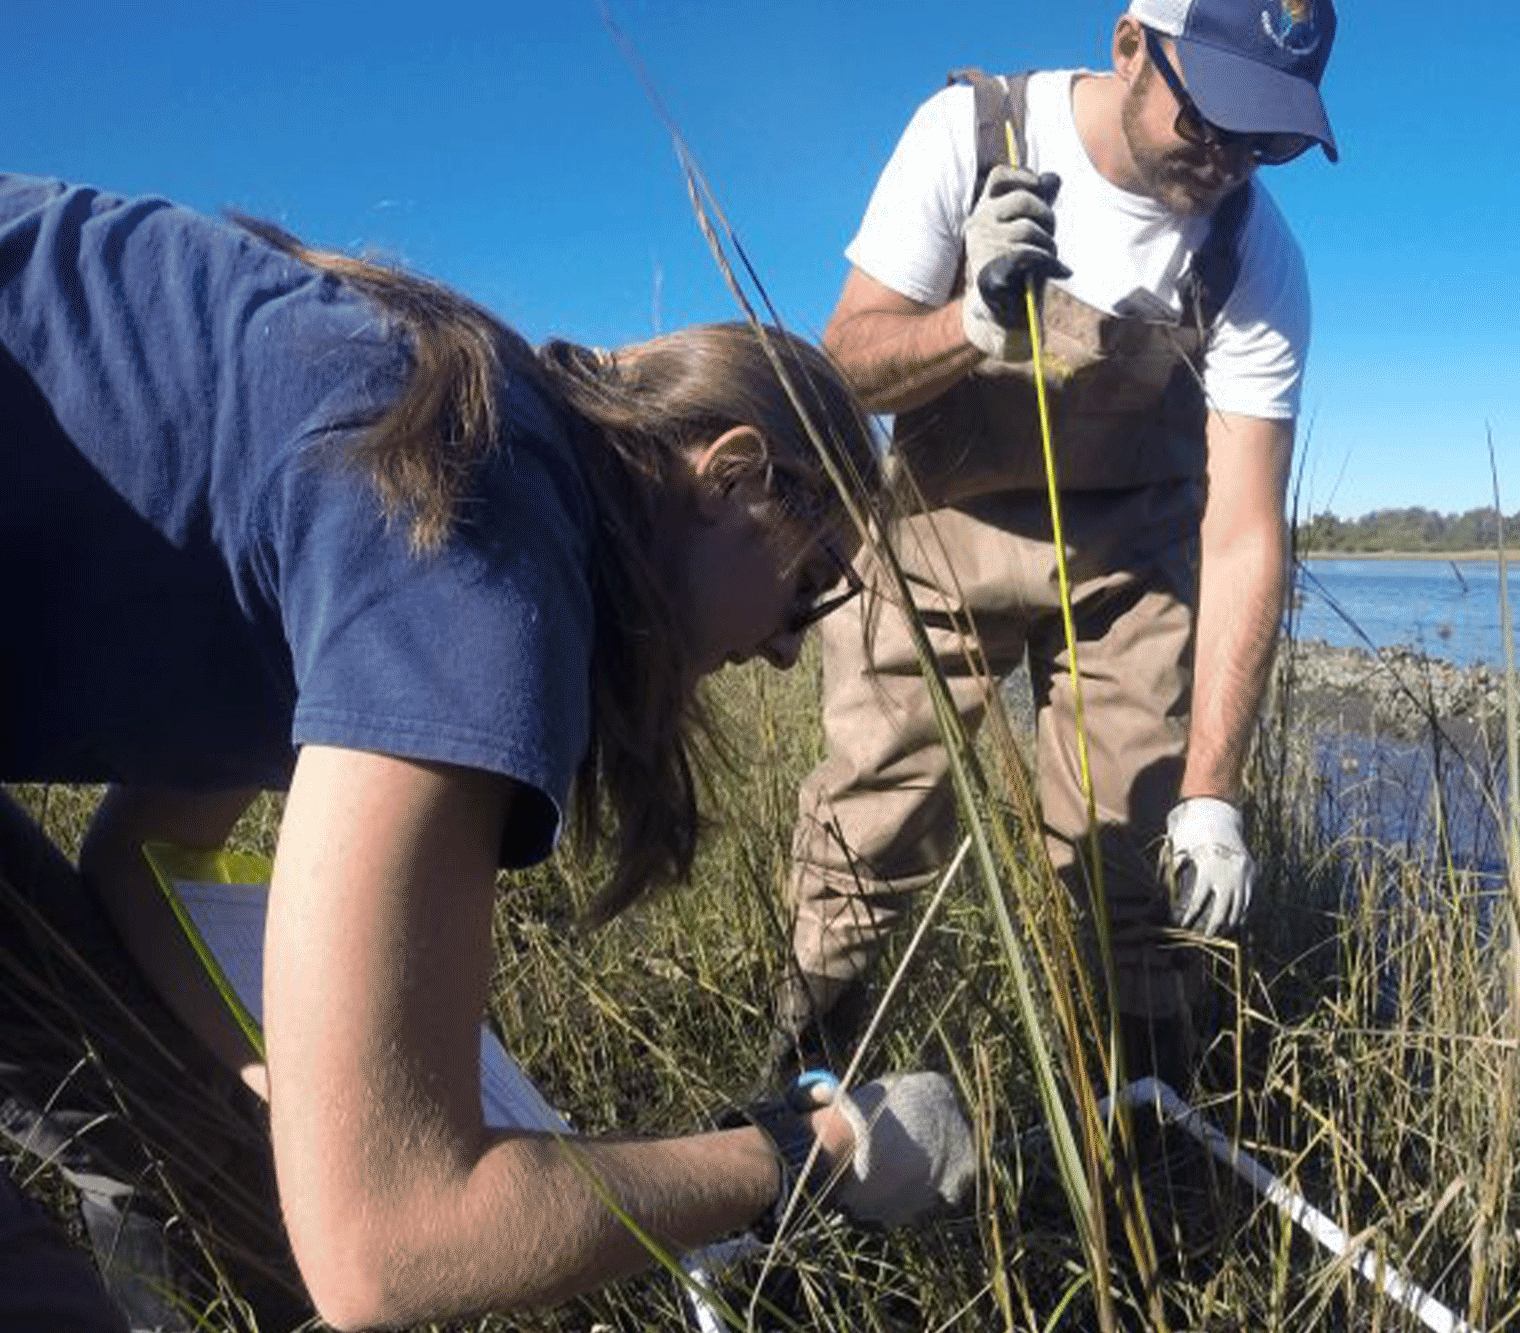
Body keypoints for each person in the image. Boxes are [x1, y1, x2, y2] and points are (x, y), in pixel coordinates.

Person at [0, 172, 975, 1332]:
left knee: (201, 1161)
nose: (780, 654)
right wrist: (810, 1150)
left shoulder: (446, 439)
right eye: (810, 588)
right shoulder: (481, 538)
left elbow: (145, 858)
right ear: (731, 475)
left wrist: (305, 1108)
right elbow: (391, 1251)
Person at [772, 0, 1337, 1097]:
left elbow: (1242, 531)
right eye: (1214, 116)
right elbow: (842, 365)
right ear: (1130, 44)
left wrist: (1211, 794)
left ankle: (1144, 1128)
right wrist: (967, 324)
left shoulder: (1252, 255)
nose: (1229, 160)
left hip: (1130, 566)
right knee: (869, 834)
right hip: (937, 539)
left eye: (1267, 139)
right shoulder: (968, 136)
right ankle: (802, 1105)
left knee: (1132, 859)